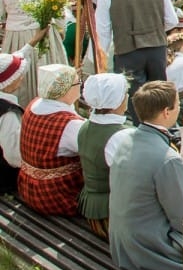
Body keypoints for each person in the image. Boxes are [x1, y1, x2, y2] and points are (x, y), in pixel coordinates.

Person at [108, 81, 183, 270]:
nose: (179, 108)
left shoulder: (124, 140)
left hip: (122, 245)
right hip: (152, 252)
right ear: (166, 112)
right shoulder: (168, 159)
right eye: (178, 104)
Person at [93, 0, 179, 120]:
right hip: (156, 48)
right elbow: (172, 20)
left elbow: (103, 30)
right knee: (159, 96)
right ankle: (162, 130)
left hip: (127, 50)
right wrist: (153, 29)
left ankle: (142, 132)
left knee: (134, 101)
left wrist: (102, 58)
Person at [1, 0, 72, 105]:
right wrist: (61, 30)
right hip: (44, 32)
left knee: (17, 76)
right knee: (47, 70)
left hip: (17, 36)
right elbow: (59, 11)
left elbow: (1, 14)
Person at [18, 64, 84, 216]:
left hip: (27, 187)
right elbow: (94, 154)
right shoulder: (70, 124)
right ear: (64, 89)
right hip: (57, 195)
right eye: (77, 82)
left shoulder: (34, 104)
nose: (80, 85)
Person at [77, 73, 131, 238]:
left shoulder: (85, 126)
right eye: (125, 93)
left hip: (91, 206)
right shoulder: (121, 137)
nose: (127, 96)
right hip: (109, 215)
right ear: (117, 101)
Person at [0, 48, 30, 193]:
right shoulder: (7, 113)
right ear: (7, 81)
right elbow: (13, 156)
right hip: (4, 181)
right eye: (18, 75)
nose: (21, 78)